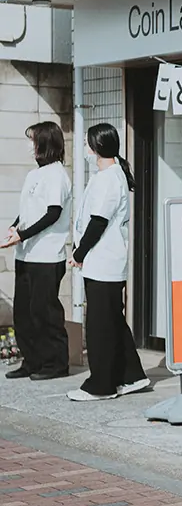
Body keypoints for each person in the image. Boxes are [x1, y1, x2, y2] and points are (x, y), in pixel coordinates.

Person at [67, 123, 150, 402]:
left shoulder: (110, 179)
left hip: (103, 262)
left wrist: (79, 253)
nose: (85, 149)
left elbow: (98, 221)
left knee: (100, 326)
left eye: (87, 144)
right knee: (112, 320)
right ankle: (133, 376)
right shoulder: (108, 175)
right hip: (103, 262)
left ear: (96, 148)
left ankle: (101, 385)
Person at [1, 122, 72, 381]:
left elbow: (53, 213)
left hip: (47, 255)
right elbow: (29, 210)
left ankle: (56, 364)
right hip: (26, 254)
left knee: (45, 313)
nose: (29, 146)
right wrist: (14, 226)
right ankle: (32, 361)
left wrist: (22, 234)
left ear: (44, 143)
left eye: (32, 141)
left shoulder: (57, 175)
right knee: (24, 313)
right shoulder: (35, 175)